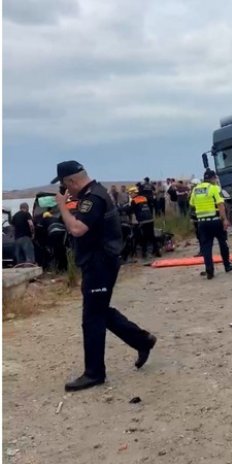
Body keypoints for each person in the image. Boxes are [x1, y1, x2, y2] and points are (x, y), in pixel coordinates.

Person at [51, 161, 156, 391]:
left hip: (100, 263)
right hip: (98, 262)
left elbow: (77, 229)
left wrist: (62, 206)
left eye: (64, 185)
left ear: (71, 181)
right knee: (99, 311)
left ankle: (94, 373)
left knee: (92, 318)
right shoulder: (92, 194)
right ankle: (142, 340)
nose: (65, 190)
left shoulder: (93, 199)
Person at [190, 170, 232, 279]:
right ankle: (227, 265)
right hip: (215, 220)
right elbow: (221, 204)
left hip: (202, 223)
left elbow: (192, 204)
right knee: (223, 242)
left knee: (206, 247)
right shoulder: (214, 188)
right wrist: (225, 220)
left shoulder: (196, 190)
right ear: (212, 178)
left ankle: (209, 270)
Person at [125, 186, 161, 259]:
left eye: (130, 194)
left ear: (134, 193)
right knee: (152, 236)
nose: (130, 195)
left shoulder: (134, 201)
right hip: (150, 219)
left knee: (143, 237)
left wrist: (122, 209)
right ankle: (157, 252)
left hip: (143, 221)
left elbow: (130, 210)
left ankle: (144, 253)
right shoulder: (144, 198)